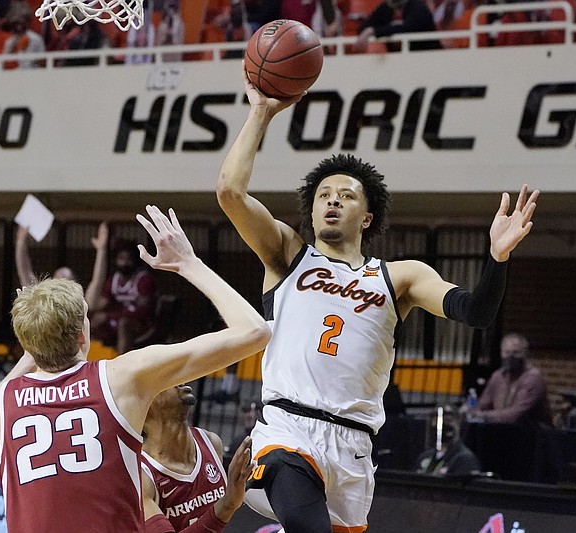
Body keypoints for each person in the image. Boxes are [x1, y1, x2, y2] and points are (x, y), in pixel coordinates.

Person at [215, 73, 539, 532]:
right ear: (310, 210)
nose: (331, 202)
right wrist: (260, 113)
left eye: (344, 196)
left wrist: (497, 257)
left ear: (366, 216)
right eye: (323, 196)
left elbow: (477, 311)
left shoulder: (399, 276)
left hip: (353, 447)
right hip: (284, 430)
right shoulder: (287, 255)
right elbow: (230, 192)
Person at [0, 206, 270, 532]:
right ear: (81, 337)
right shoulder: (120, 378)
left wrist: (30, 352)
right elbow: (254, 332)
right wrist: (190, 264)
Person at [140, 385, 253, 532]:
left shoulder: (211, 442)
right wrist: (228, 504)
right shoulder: (141, 475)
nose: (181, 381)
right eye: (166, 379)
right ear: (145, 404)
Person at [85, 228, 158, 355]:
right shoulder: (114, 279)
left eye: (128, 259)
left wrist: (109, 316)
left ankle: (122, 361)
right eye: (121, 258)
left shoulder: (144, 280)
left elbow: (142, 311)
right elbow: (100, 304)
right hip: (116, 321)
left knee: (125, 324)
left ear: (135, 260)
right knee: (90, 319)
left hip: (142, 325)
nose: (124, 263)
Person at [466, 333, 552, 426]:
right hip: (504, 432)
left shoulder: (532, 377)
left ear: (525, 354)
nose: (510, 357)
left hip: (532, 434)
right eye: (507, 352)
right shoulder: (498, 376)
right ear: (501, 353)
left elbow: (515, 415)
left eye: (516, 353)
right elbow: (483, 403)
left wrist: (481, 415)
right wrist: (469, 409)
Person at [415, 406, 481, 476]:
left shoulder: (465, 459)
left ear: (458, 424)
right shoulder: (424, 457)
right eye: (437, 422)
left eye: (448, 420)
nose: (442, 426)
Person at [354, 0, 442, 52]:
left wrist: (374, 31)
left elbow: (407, 28)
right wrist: (370, 30)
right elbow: (364, 28)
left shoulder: (418, 7)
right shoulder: (386, 8)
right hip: (399, 62)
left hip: (427, 57)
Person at [3, 1, 46, 69]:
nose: (18, 27)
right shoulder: (9, 42)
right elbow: (4, 63)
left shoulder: (35, 39)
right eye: (16, 23)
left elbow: (42, 61)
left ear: (27, 22)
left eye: (21, 23)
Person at [224, 398, 264, 467]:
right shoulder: (238, 440)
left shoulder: (264, 439)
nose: (250, 415)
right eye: (246, 411)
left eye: (255, 411)